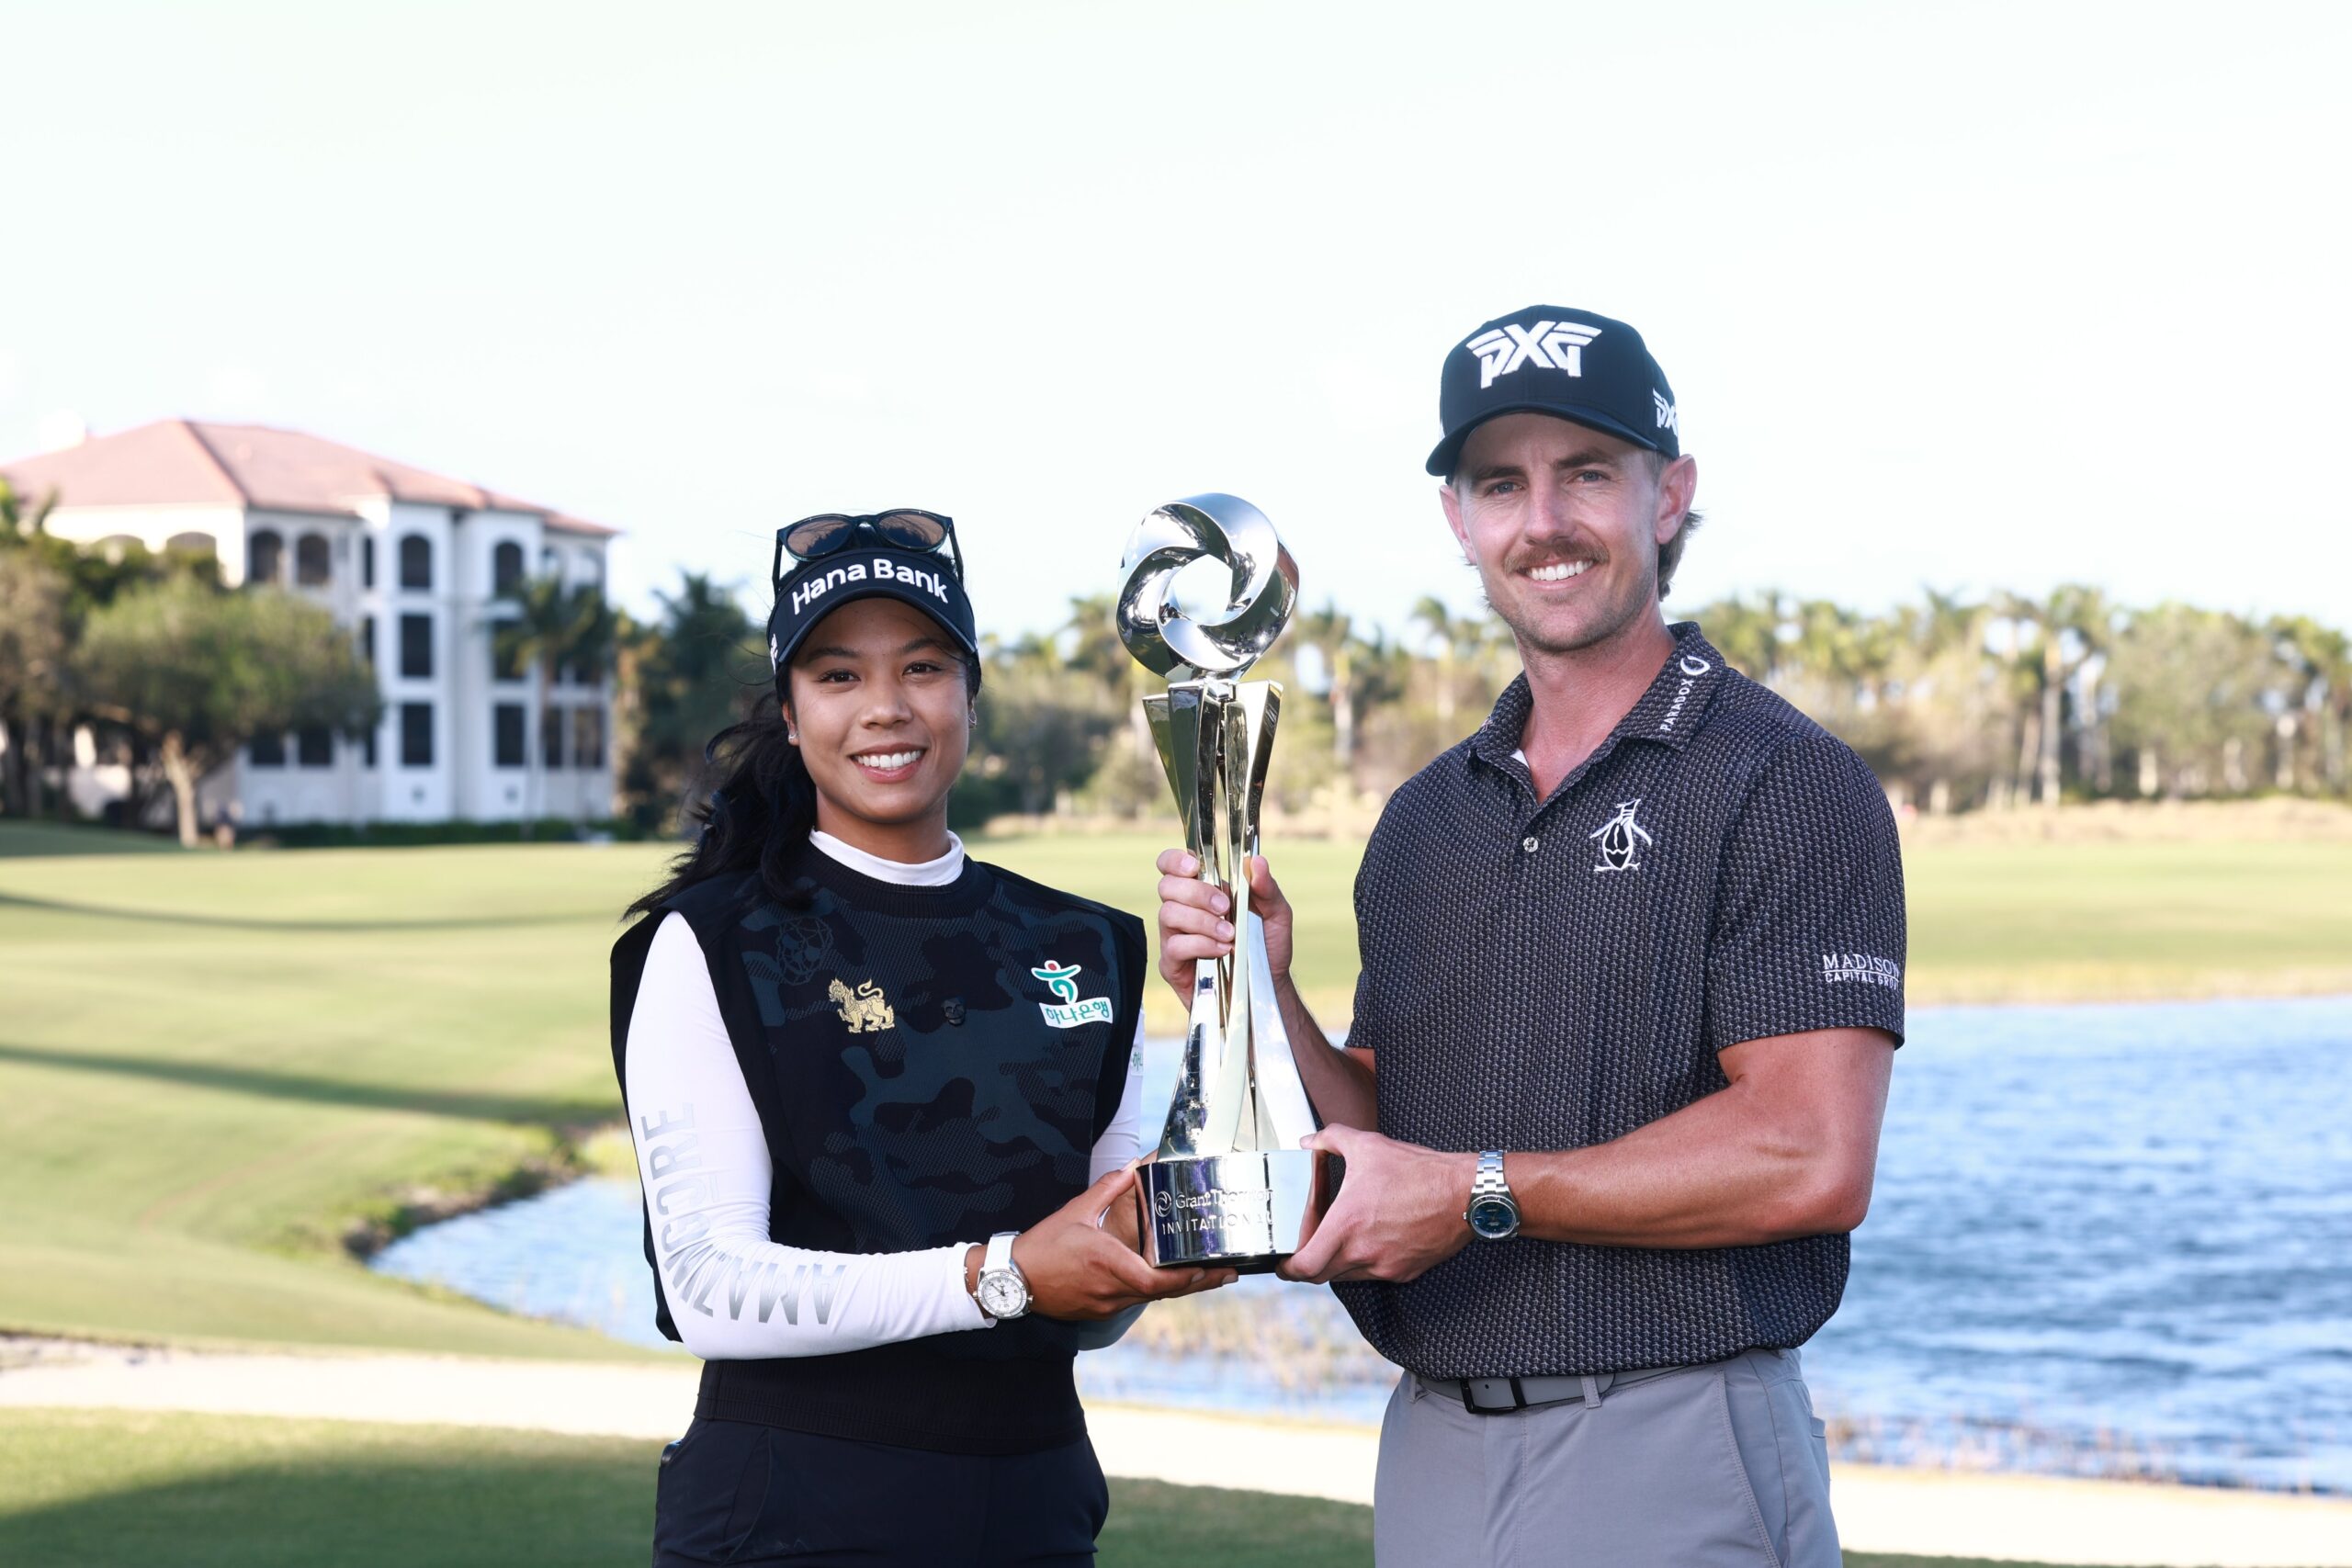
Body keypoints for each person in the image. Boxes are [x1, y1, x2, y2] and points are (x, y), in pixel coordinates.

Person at [1155, 307, 1905, 1566]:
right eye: (1502, 481)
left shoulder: (1785, 780)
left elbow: (1806, 1152)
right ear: (1460, 519)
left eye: (1587, 474)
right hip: (1433, 1444)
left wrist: (1476, 1192)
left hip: (1670, 1434)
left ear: (1669, 495)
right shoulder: (1425, 818)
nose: (1542, 520)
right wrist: (1259, 993)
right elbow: (1389, 1124)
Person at [613, 508, 1233, 1567]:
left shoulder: (1087, 943)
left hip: (1033, 1502)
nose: (887, 708)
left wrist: (1222, 1004)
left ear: (970, 693)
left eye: (924, 666)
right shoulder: (709, 941)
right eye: (839, 676)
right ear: (792, 712)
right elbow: (709, 1286)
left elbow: (1098, 1284)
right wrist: (1003, 1275)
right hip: (791, 1512)